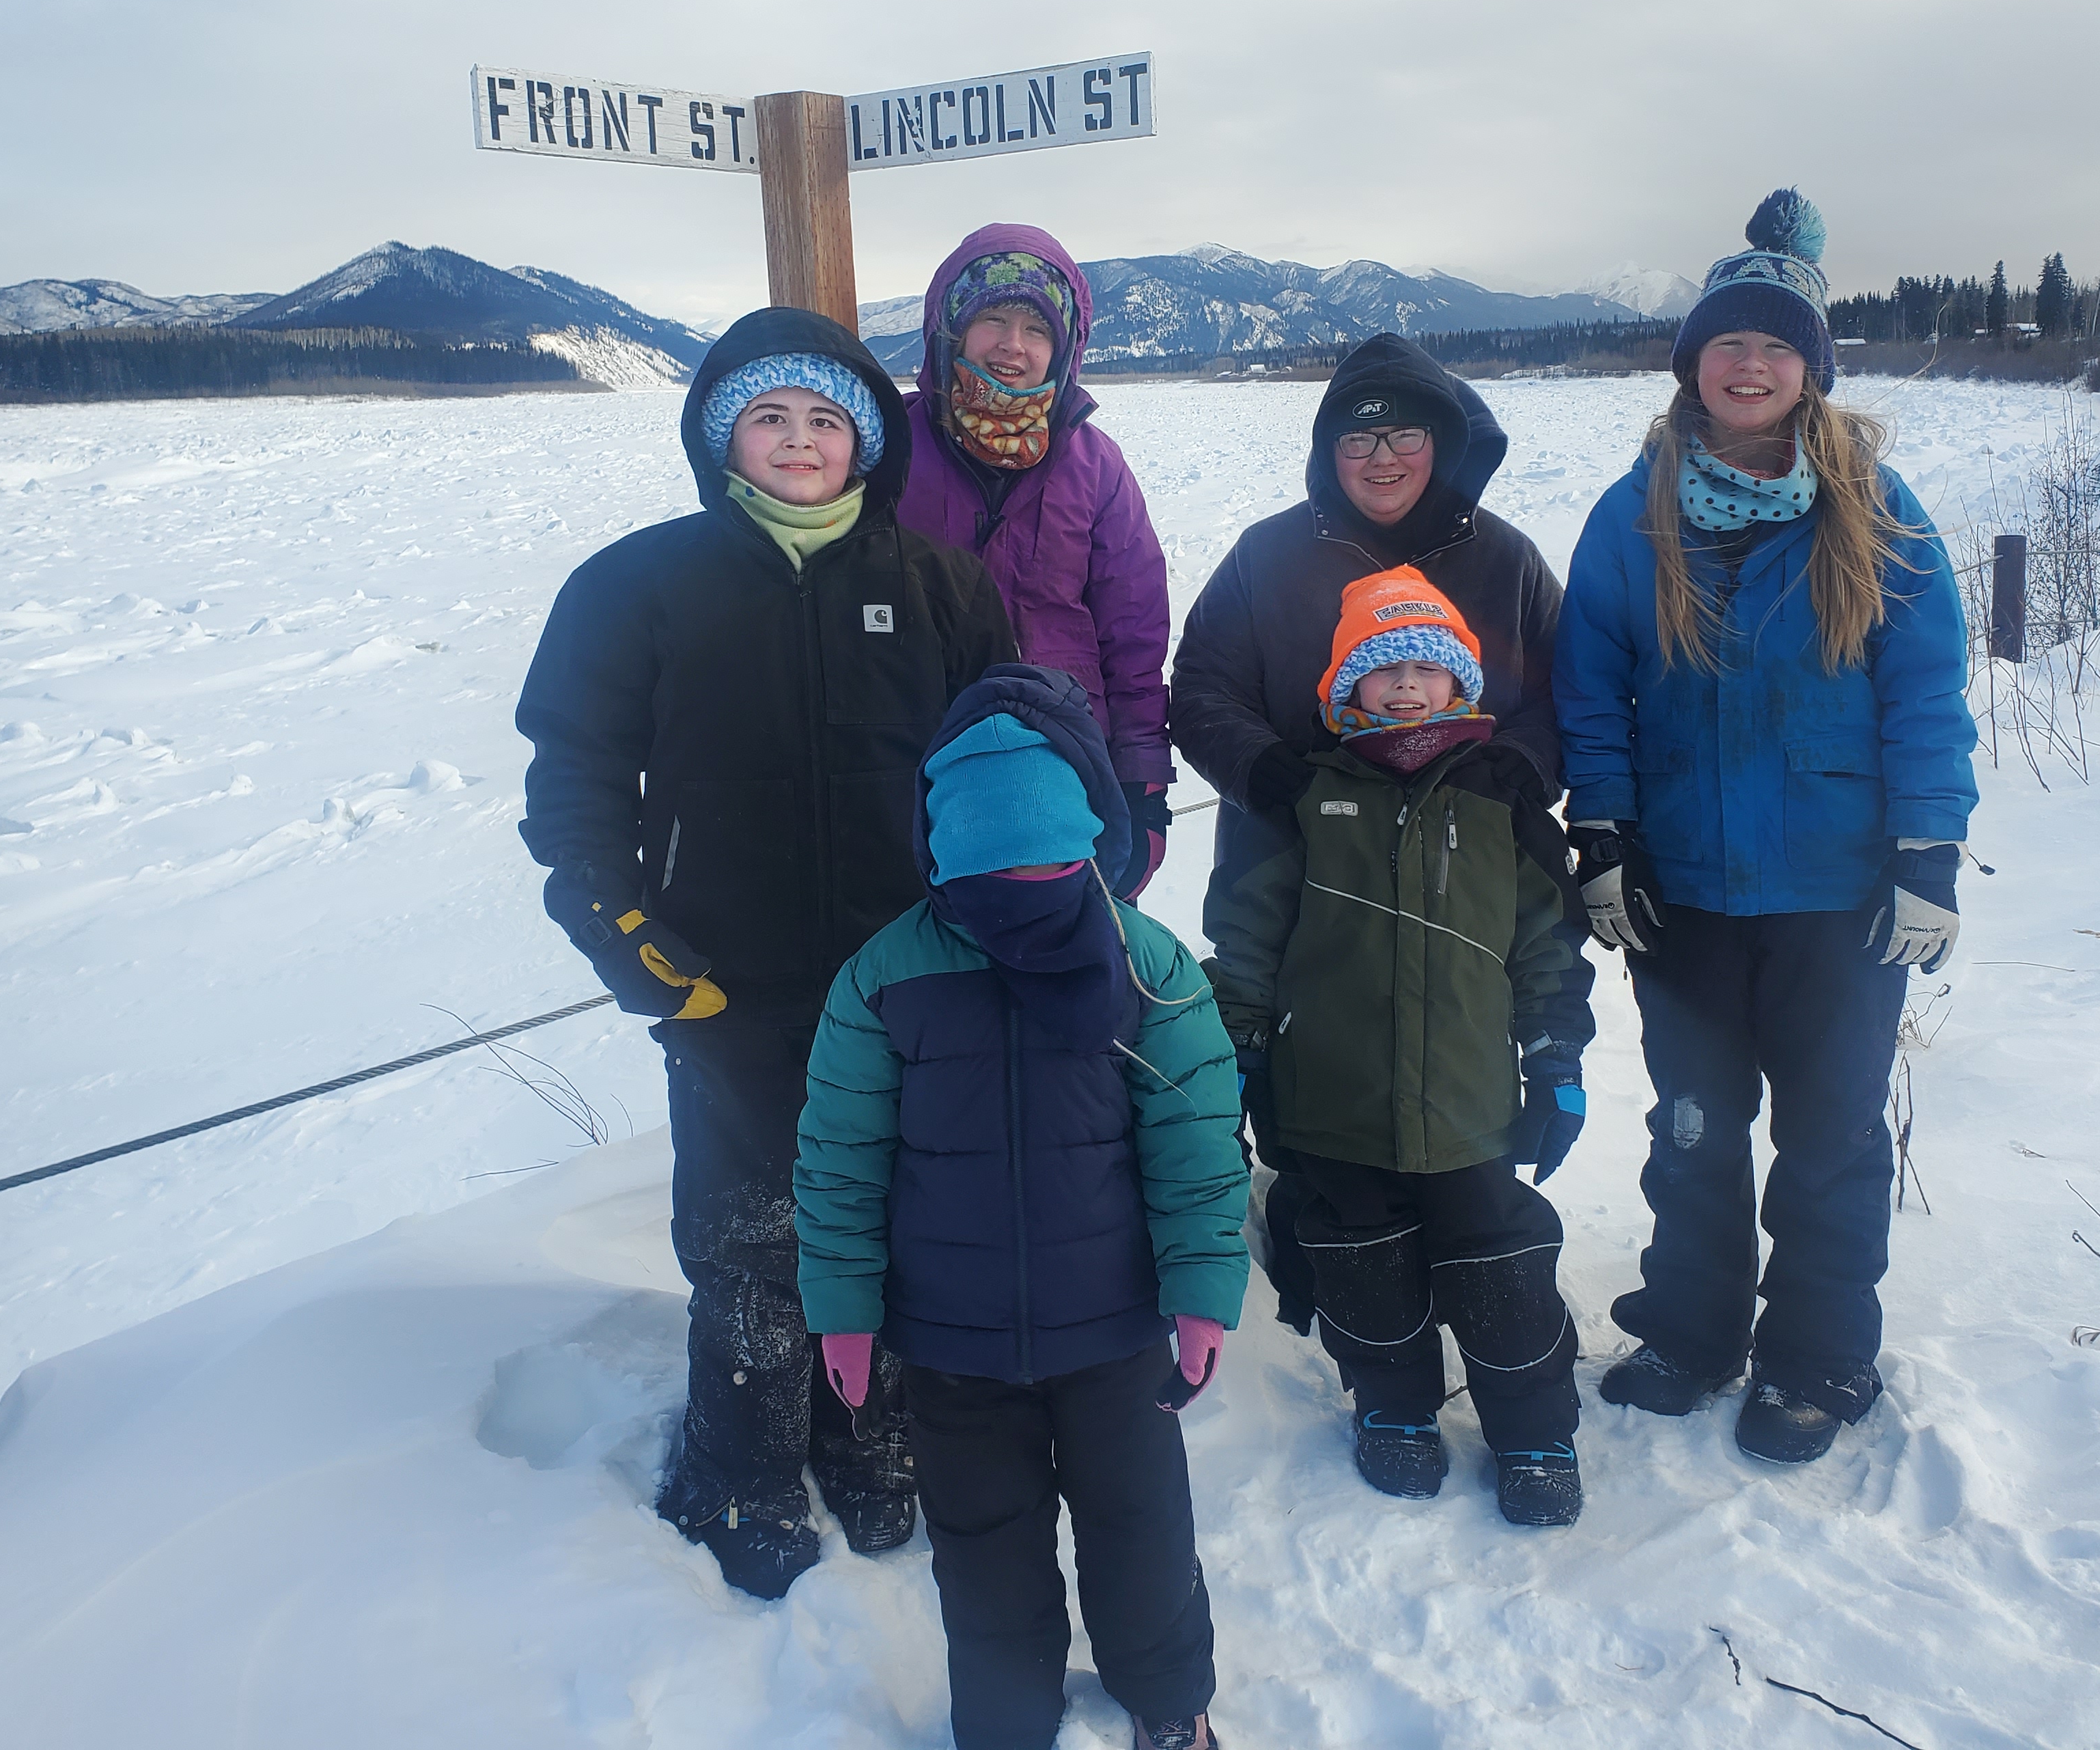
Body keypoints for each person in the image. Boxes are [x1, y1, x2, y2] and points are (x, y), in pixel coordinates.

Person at [514, 307, 1018, 1598]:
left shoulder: (943, 586)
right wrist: (618, 923)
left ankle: (872, 1435)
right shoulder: (637, 585)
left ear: (868, 441)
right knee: (751, 1234)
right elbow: (575, 777)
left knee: (898, 1212)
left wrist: (1005, 919)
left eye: (825, 418)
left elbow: (1001, 765)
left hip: (910, 973)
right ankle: (738, 1466)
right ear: (721, 435)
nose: (799, 440)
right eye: (770, 415)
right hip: (722, 978)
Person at [1553, 190, 1978, 1466]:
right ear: (1693, 363)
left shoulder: (1876, 508)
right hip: (1684, 887)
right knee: (1692, 1126)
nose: (1748, 364)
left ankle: (1817, 1352)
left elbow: (1925, 691)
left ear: (1810, 369)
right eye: (1727, 342)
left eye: (1775, 345)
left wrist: (1928, 850)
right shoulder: (1632, 514)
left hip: (1837, 893)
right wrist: (1605, 836)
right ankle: (1691, 1332)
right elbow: (1591, 691)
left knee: (1831, 1134)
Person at [794, 663, 1246, 1750]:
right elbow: (841, 1158)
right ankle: (1004, 1719)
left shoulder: (1146, 966)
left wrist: (1201, 1286)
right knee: (983, 1548)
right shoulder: (883, 980)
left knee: (1142, 1530)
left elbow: (1197, 1140)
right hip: (955, 1346)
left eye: (1048, 868)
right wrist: (843, 1310)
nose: (1024, 899)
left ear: (1090, 844)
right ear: (947, 862)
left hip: (1115, 1333)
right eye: (997, 878)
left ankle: (1167, 1698)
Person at [1170, 333, 1571, 1327]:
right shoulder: (1268, 556)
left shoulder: (1505, 559)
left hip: (1459, 870)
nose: (1381, 458)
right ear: (1326, 451)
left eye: (1404, 436)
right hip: (1298, 863)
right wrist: (1268, 773)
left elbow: (1569, 693)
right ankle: (1346, 1289)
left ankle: (1465, 1269)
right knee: (1318, 1087)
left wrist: (1517, 772)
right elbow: (1202, 686)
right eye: (1357, 438)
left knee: (1450, 1075)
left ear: (1445, 441)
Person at [1203, 567, 1593, 1525]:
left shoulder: (1501, 799)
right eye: (1384, 669)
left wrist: (1555, 1056)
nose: (1408, 685)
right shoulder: (1303, 797)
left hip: (1469, 1107)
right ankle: (1394, 1409)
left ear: (1460, 681)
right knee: (1362, 1265)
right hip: (1333, 1100)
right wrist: (1236, 1052)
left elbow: (1546, 946)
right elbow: (1247, 939)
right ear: (1347, 687)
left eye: (1427, 666)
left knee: (1501, 1267)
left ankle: (1534, 1431)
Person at [897, 225, 1175, 894]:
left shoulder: (1096, 465)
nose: (1013, 345)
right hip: (912, 758)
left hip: (1064, 766)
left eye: (1036, 328)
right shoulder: (889, 449)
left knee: (1065, 947)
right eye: (992, 319)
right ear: (951, 329)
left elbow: (1134, 639)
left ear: (1065, 348)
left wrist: (1143, 783)